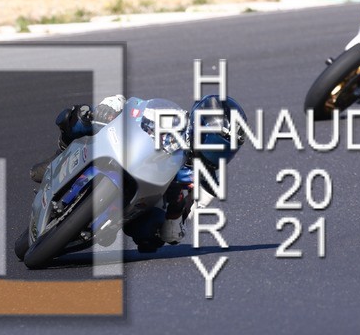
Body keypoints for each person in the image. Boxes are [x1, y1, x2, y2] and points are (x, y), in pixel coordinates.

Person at [29, 94, 246, 251]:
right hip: (129, 152)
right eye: (213, 142)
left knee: (151, 238)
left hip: (146, 198)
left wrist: (177, 210)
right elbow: (133, 106)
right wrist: (110, 107)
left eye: (223, 150)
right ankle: (59, 155)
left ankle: (101, 224)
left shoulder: (205, 179)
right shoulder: (173, 116)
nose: (215, 151)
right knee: (78, 117)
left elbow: (175, 232)